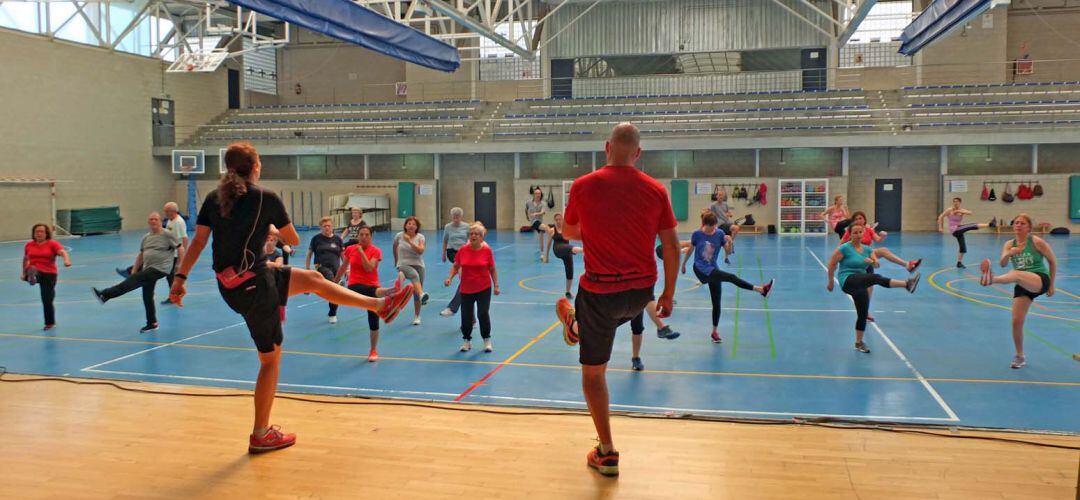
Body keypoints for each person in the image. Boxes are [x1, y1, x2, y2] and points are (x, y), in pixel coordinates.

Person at [169, 142, 413, 454]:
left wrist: (180, 279)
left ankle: (380, 305)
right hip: (256, 289)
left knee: (313, 279)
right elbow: (294, 239)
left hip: (234, 285)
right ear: (256, 167)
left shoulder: (214, 198)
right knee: (270, 361)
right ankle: (260, 433)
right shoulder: (265, 198)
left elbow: (200, 241)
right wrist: (271, 227)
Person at [553, 123, 681, 477]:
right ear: (638, 153)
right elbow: (671, 246)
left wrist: (592, 227)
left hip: (599, 294)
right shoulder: (656, 190)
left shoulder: (583, 185)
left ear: (607, 147)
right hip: (641, 294)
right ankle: (580, 325)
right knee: (616, 316)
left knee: (594, 373)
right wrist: (668, 293)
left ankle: (606, 452)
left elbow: (568, 232)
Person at [826, 222, 920, 353]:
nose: (858, 235)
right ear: (850, 234)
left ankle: (858, 343)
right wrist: (830, 282)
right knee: (875, 278)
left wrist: (873, 262)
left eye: (860, 232)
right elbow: (831, 265)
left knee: (863, 313)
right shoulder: (844, 248)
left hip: (861, 282)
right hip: (848, 280)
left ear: (863, 233)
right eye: (855, 233)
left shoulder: (868, 250)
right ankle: (907, 284)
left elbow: (877, 265)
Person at [978, 214, 1057, 369]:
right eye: (1016, 223)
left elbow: (1052, 261)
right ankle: (1020, 356)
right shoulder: (1009, 244)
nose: (1018, 225)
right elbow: (1002, 263)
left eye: (1022, 223)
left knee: (1014, 274)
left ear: (1028, 227)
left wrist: (1052, 284)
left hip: (1039, 279)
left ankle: (991, 280)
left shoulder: (1036, 242)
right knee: (1016, 322)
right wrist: (1009, 253)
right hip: (1022, 283)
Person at [681, 211, 774, 343]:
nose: (713, 230)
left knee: (717, 302)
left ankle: (714, 332)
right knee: (731, 277)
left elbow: (728, 252)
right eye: (710, 227)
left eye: (714, 227)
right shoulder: (697, 234)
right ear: (704, 225)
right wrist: (684, 263)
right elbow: (691, 249)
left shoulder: (719, 233)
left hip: (713, 269)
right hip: (700, 269)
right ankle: (761, 290)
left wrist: (729, 243)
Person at [92, 212, 181, 333]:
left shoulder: (167, 235)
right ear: (149, 222)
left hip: (161, 268)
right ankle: (152, 323)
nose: (153, 221)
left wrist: (179, 265)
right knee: (147, 296)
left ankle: (106, 294)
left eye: (156, 219)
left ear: (160, 221)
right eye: (151, 219)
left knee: (131, 282)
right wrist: (134, 269)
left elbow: (180, 248)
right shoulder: (146, 237)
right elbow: (141, 254)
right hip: (148, 268)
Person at [336, 225, 400, 363]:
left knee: (373, 319)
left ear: (371, 237)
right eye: (361, 234)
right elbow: (343, 266)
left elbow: (369, 268)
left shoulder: (376, 251)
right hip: (354, 285)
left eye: (366, 235)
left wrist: (361, 252)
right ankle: (388, 294)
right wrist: (334, 282)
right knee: (367, 294)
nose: (364, 237)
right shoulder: (350, 249)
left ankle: (373, 350)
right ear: (357, 236)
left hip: (372, 286)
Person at [445, 222, 499, 353]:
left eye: (476, 234)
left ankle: (486, 340)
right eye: (471, 234)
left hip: (483, 288)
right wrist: (450, 278)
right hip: (466, 288)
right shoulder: (463, 250)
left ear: (481, 237)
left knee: (482, 314)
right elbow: (456, 265)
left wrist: (496, 285)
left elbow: (492, 269)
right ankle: (466, 341)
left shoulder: (487, 250)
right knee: (466, 315)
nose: (473, 235)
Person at [22, 223, 71, 330]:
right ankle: (32, 277)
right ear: (33, 234)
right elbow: (25, 259)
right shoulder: (29, 245)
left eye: (41, 231)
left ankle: (49, 323)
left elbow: (62, 252)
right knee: (32, 270)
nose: (39, 234)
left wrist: (66, 260)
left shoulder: (52, 244)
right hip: (34, 269)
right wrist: (23, 272)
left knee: (47, 300)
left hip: (49, 274)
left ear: (46, 233)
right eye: (36, 232)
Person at [938, 197, 996, 268]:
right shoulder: (949, 210)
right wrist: (940, 227)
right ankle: (990, 224)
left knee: (963, 247)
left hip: (959, 229)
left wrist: (960, 212)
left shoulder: (961, 210)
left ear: (960, 203)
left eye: (957, 202)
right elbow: (940, 217)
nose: (955, 203)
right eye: (954, 201)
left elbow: (970, 212)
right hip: (954, 230)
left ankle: (959, 263)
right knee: (971, 225)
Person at [307, 217, 345, 324]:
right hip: (320, 266)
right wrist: (307, 268)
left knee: (333, 292)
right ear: (321, 228)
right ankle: (339, 285)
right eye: (324, 226)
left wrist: (346, 269)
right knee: (330, 279)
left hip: (336, 268)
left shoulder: (338, 239)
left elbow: (343, 256)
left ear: (332, 227)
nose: (327, 228)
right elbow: (309, 254)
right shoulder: (316, 239)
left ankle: (332, 313)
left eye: (329, 226)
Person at [627, 301, 681, 371]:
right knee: (609, 328)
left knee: (637, 327)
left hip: (637, 298)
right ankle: (662, 328)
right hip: (618, 299)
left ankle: (635, 358)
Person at [394, 216, 428, 326]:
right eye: (409, 223)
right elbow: (394, 247)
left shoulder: (420, 237)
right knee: (414, 275)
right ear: (405, 225)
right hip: (403, 264)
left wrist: (410, 242)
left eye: (414, 224)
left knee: (416, 292)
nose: (411, 225)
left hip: (419, 265)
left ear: (417, 227)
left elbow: (420, 251)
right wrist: (396, 261)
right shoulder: (399, 236)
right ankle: (421, 293)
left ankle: (417, 316)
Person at [544, 213, 584, 299]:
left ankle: (568, 292)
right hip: (558, 249)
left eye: (560, 219)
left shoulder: (567, 229)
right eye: (556, 220)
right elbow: (548, 244)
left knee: (570, 269)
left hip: (567, 250)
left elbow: (577, 233)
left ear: (563, 220)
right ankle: (584, 250)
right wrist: (546, 256)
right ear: (554, 221)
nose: (558, 221)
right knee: (567, 247)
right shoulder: (552, 230)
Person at [158, 202, 189, 305]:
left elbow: (184, 239)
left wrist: (181, 260)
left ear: (173, 211)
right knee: (170, 276)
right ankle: (175, 296)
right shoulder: (170, 221)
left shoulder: (178, 222)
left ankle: (174, 297)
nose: (165, 213)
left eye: (166, 211)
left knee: (170, 276)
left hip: (176, 254)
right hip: (170, 253)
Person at [440, 207, 469, 317]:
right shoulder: (448, 227)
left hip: (464, 251)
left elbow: (469, 240)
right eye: (454, 217)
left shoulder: (466, 227)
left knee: (463, 274)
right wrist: (443, 254)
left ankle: (470, 317)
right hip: (452, 251)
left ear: (461, 217)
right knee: (461, 270)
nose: (455, 219)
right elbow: (445, 240)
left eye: (457, 217)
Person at [708, 189, 739, 264]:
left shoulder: (725, 205)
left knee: (727, 242)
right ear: (716, 196)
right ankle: (731, 243)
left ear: (724, 196)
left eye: (722, 195)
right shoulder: (713, 205)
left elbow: (729, 213)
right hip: (720, 225)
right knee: (736, 228)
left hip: (727, 223)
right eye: (719, 195)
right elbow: (711, 216)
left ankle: (726, 258)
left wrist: (730, 214)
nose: (720, 196)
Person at [525, 187, 550, 261]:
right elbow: (526, 209)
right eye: (536, 193)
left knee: (541, 238)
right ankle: (555, 234)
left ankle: (542, 254)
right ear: (533, 194)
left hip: (540, 221)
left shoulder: (543, 203)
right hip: (534, 222)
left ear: (541, 194)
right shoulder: (528, 203)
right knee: (546, 228)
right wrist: (527, 216)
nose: (537, 195)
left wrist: (536, 213)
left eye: (539, 193)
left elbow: (542, 212)